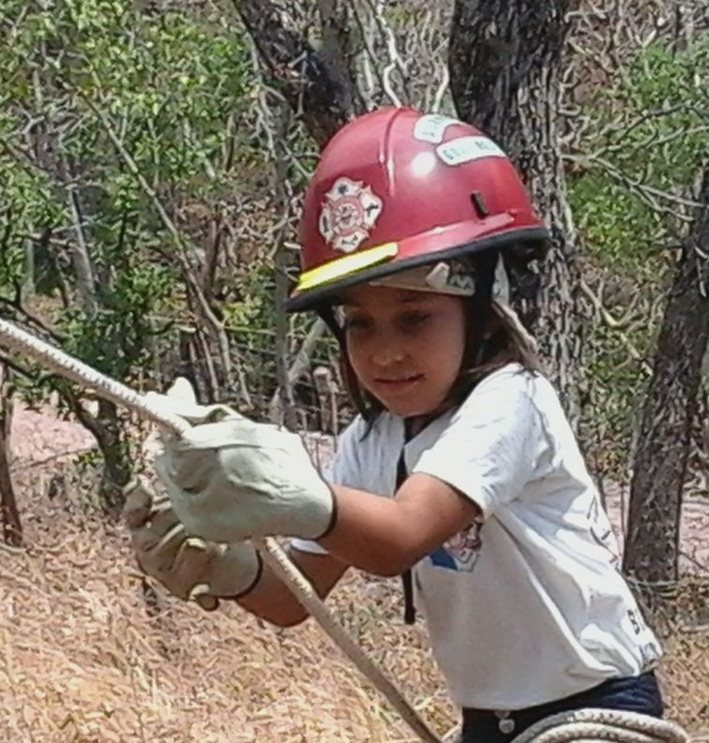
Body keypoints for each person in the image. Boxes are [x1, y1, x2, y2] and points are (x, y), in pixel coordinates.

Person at [123, 107, 667, 742]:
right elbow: (293, 597)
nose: (385, 353)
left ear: (482, 307)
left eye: (414, 318)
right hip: (490, 723)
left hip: (592, 709)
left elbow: (403, 535)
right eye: (360, 324)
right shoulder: (372, 441)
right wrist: (223, 566)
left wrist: (298, 495)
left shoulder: (512, 403)